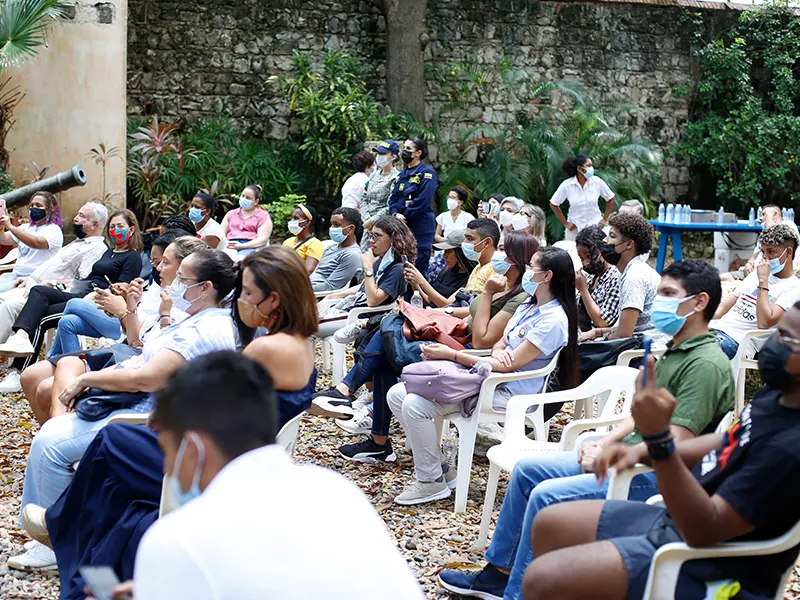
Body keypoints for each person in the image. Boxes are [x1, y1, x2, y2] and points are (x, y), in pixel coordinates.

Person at [20, 248, 322, 592]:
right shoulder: (296, 342)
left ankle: (61, 526)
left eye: (248, 293)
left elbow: (216, 404)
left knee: (113, 442)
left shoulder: (266, 348)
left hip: (219, 459)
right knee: (114, 465)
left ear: (274, 299)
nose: (240, 300)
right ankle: (75, 544)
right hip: (239, 449)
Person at [438, 259, 735, 600]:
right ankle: (498, 575)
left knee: (546, 496)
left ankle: (518, 594)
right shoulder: (674, 351)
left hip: (653, 475)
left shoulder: (705, 365)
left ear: (699, 303)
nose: (662, 302)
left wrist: (614, 453)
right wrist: (603, 441)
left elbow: (677, 443)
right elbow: (642, 417)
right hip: (630, 456)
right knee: (526, 472)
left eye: (669, 294)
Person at [74, 352, 422, 600]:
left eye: (166, 451)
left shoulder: (179, 537)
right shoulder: (336, 491)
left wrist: (168, 572)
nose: (166, 468)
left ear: (192, 449)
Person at [520, 304, 800, 600]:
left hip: (714, 567)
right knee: (550, 523)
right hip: (678, 522)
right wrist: (642, 451)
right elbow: (731, 440)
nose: (771, 342)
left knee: (544, 580)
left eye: (784, 337)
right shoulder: (780, 395)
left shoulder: (790, 450)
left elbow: (703, 529)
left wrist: (659, 440)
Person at [6, 248, 239, 573]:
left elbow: (147, 378)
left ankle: (53, 542)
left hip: (150, 417)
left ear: (206, 287)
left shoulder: (208, 328)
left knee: (50, 442)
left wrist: (88, 378)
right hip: (149, 405)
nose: (173, 282)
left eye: (182, 279)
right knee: (56, 403)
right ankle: (62, 524)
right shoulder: (202, 318)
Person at [386, 246, 578, 505]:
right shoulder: (528, 305)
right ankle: (441, 470)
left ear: (547, 276)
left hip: (509, 392)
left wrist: (452, 355)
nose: (525, 271)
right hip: (487, 377)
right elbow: (501, 344)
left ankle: (430, 481)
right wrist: (499, 352)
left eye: (532, 267)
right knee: (397, 394)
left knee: (414, 404)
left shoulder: (553, 319)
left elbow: (509, 366)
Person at [313, 231, 535, 433]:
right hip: (453, 333)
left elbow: (480, 341)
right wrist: (441, 312)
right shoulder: (501, 284)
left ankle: (351, 398)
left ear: (518, 257)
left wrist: (486, 294)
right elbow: (470, 311)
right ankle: (365, 419)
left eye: (503, 249)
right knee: (389, 334)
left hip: (463, 349)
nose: (496, 253)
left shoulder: (516, 296)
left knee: (387, 338)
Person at [38, 235, 205, 388]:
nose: (157, 268)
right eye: (155, 263)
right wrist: (130, 305)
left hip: (131, 352)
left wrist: (124, 311)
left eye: (163, 262)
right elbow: (137, 340)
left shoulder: (187, 306)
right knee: (66, 322)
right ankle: (54, 361)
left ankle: (52, 360)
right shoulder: (161, 287)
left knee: (73, 304)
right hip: (129, 338)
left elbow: (148, 350)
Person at [0, 209, 143, 358]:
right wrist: (54, 283)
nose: (115, 230)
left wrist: (104, 291)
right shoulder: (109, 252)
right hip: (83, 294)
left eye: (120, 226)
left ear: (131, 229)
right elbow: (85, 279)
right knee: (39, 290)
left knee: (42, 315)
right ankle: (21, 339)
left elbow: (122, 290)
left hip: (99, 304)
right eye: (112, 227)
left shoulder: (133, 257)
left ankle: (28, 366)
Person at [710, 223, 800, 358]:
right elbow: (723, 308)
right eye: (763, 252)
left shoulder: (793, 287)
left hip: (739, 341)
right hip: (717, 330)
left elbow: (764, 323)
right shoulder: (754, 276)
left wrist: (763, 281)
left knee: (700, 353)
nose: (765, 258)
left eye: (771, 252)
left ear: (788, 252)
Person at [316, 216, 411, 339]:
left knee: (301, 327)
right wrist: (333, 296)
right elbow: (362, 287)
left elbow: (373, 301)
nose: (371, 240)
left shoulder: (397, 268)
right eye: (371, 235)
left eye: (377, 236)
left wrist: (368, 267)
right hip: (349, 309)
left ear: (393, 239)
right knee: (298, 322)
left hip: (360, 316)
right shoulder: (380, 260)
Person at [581, 213, 664, 344]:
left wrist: (602, 339)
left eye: (612, 236)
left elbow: (624, 335)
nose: (605, 241)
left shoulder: (634, 277)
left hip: (647, 351)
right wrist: (598, 332)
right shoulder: (630, 271)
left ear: (629, 244)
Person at [388, 137, 438, 274]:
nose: (405, 151)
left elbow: (424, 200)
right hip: (401, 227)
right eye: (404, 148)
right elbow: (393, 198)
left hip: (419, 227)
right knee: (399, 268)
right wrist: (395, 214)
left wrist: (405, 215)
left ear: (418, 153)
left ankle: (418, 295)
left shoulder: (427, 173)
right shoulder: (402, 175)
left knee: (417, 268)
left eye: (409, 149)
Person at [0, 191, 63, 293]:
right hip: (15, 276)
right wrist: (1, 228)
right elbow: (3, 239)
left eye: (38, 205)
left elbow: (36, 243)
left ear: (49, 209)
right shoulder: (26, 227)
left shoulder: (54, 230)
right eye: (31, 205)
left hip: (33, 280)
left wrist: (11, 227)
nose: (33, 208)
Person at [550, 155, 616, 241]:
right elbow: (554, 203)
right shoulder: (567, 185)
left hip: (595, 227)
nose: (591, 168)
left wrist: (604, 220)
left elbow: (610, 198)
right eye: (588, 165)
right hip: (575, 229)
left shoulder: (597, 182)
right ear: (580, 169)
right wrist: (566, 223)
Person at [403, 230, 474, 306]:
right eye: (444, 251)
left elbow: (447, 306)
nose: (444, 256)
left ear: (461, 254)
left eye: (448, 251)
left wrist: (422, 281)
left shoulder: (472, 278)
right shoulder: (446, 271)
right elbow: (429, 301)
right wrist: (414, 283)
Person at [574, 225, 621, 333]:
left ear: (602, 250)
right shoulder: (591, 277)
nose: (585, 263)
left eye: (589, 256)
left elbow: (603, 322)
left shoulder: (615, 279)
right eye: (581, 258)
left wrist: (583, 290)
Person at [310, 208, 364, 292]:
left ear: (350, 229)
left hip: (316, 296)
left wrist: (300, 288)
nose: (331, 228)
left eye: (336, 225)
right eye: (331, 224)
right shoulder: (331, 247)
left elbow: (330, 287)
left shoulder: (352, 255)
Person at [361, 140, 400, 251]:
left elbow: (391, 204)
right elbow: (364, 197)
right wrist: (366, 218)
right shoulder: (374, 175)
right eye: (378, 154)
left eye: (383, 154)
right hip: (367, 225)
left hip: (383, 227)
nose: (379, 157)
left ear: (393, 157)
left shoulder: (396, 178)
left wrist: (373, 221)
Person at [221, 184, 272, 256]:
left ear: (256, 201)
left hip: (251, 246)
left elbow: (263, 239)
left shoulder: (263, 216)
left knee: (242, 261)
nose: (244, 199)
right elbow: (221, 234)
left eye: (248, 198)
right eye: (243, 196)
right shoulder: (231, 214)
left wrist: (242, 246)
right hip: (229, 245)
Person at [281, 204, 324, 274]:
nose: (292, 221)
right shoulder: (288, 241)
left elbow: (308, 270)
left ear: (307, 222)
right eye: (292, 218)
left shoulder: (314, 244)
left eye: (296, 218)